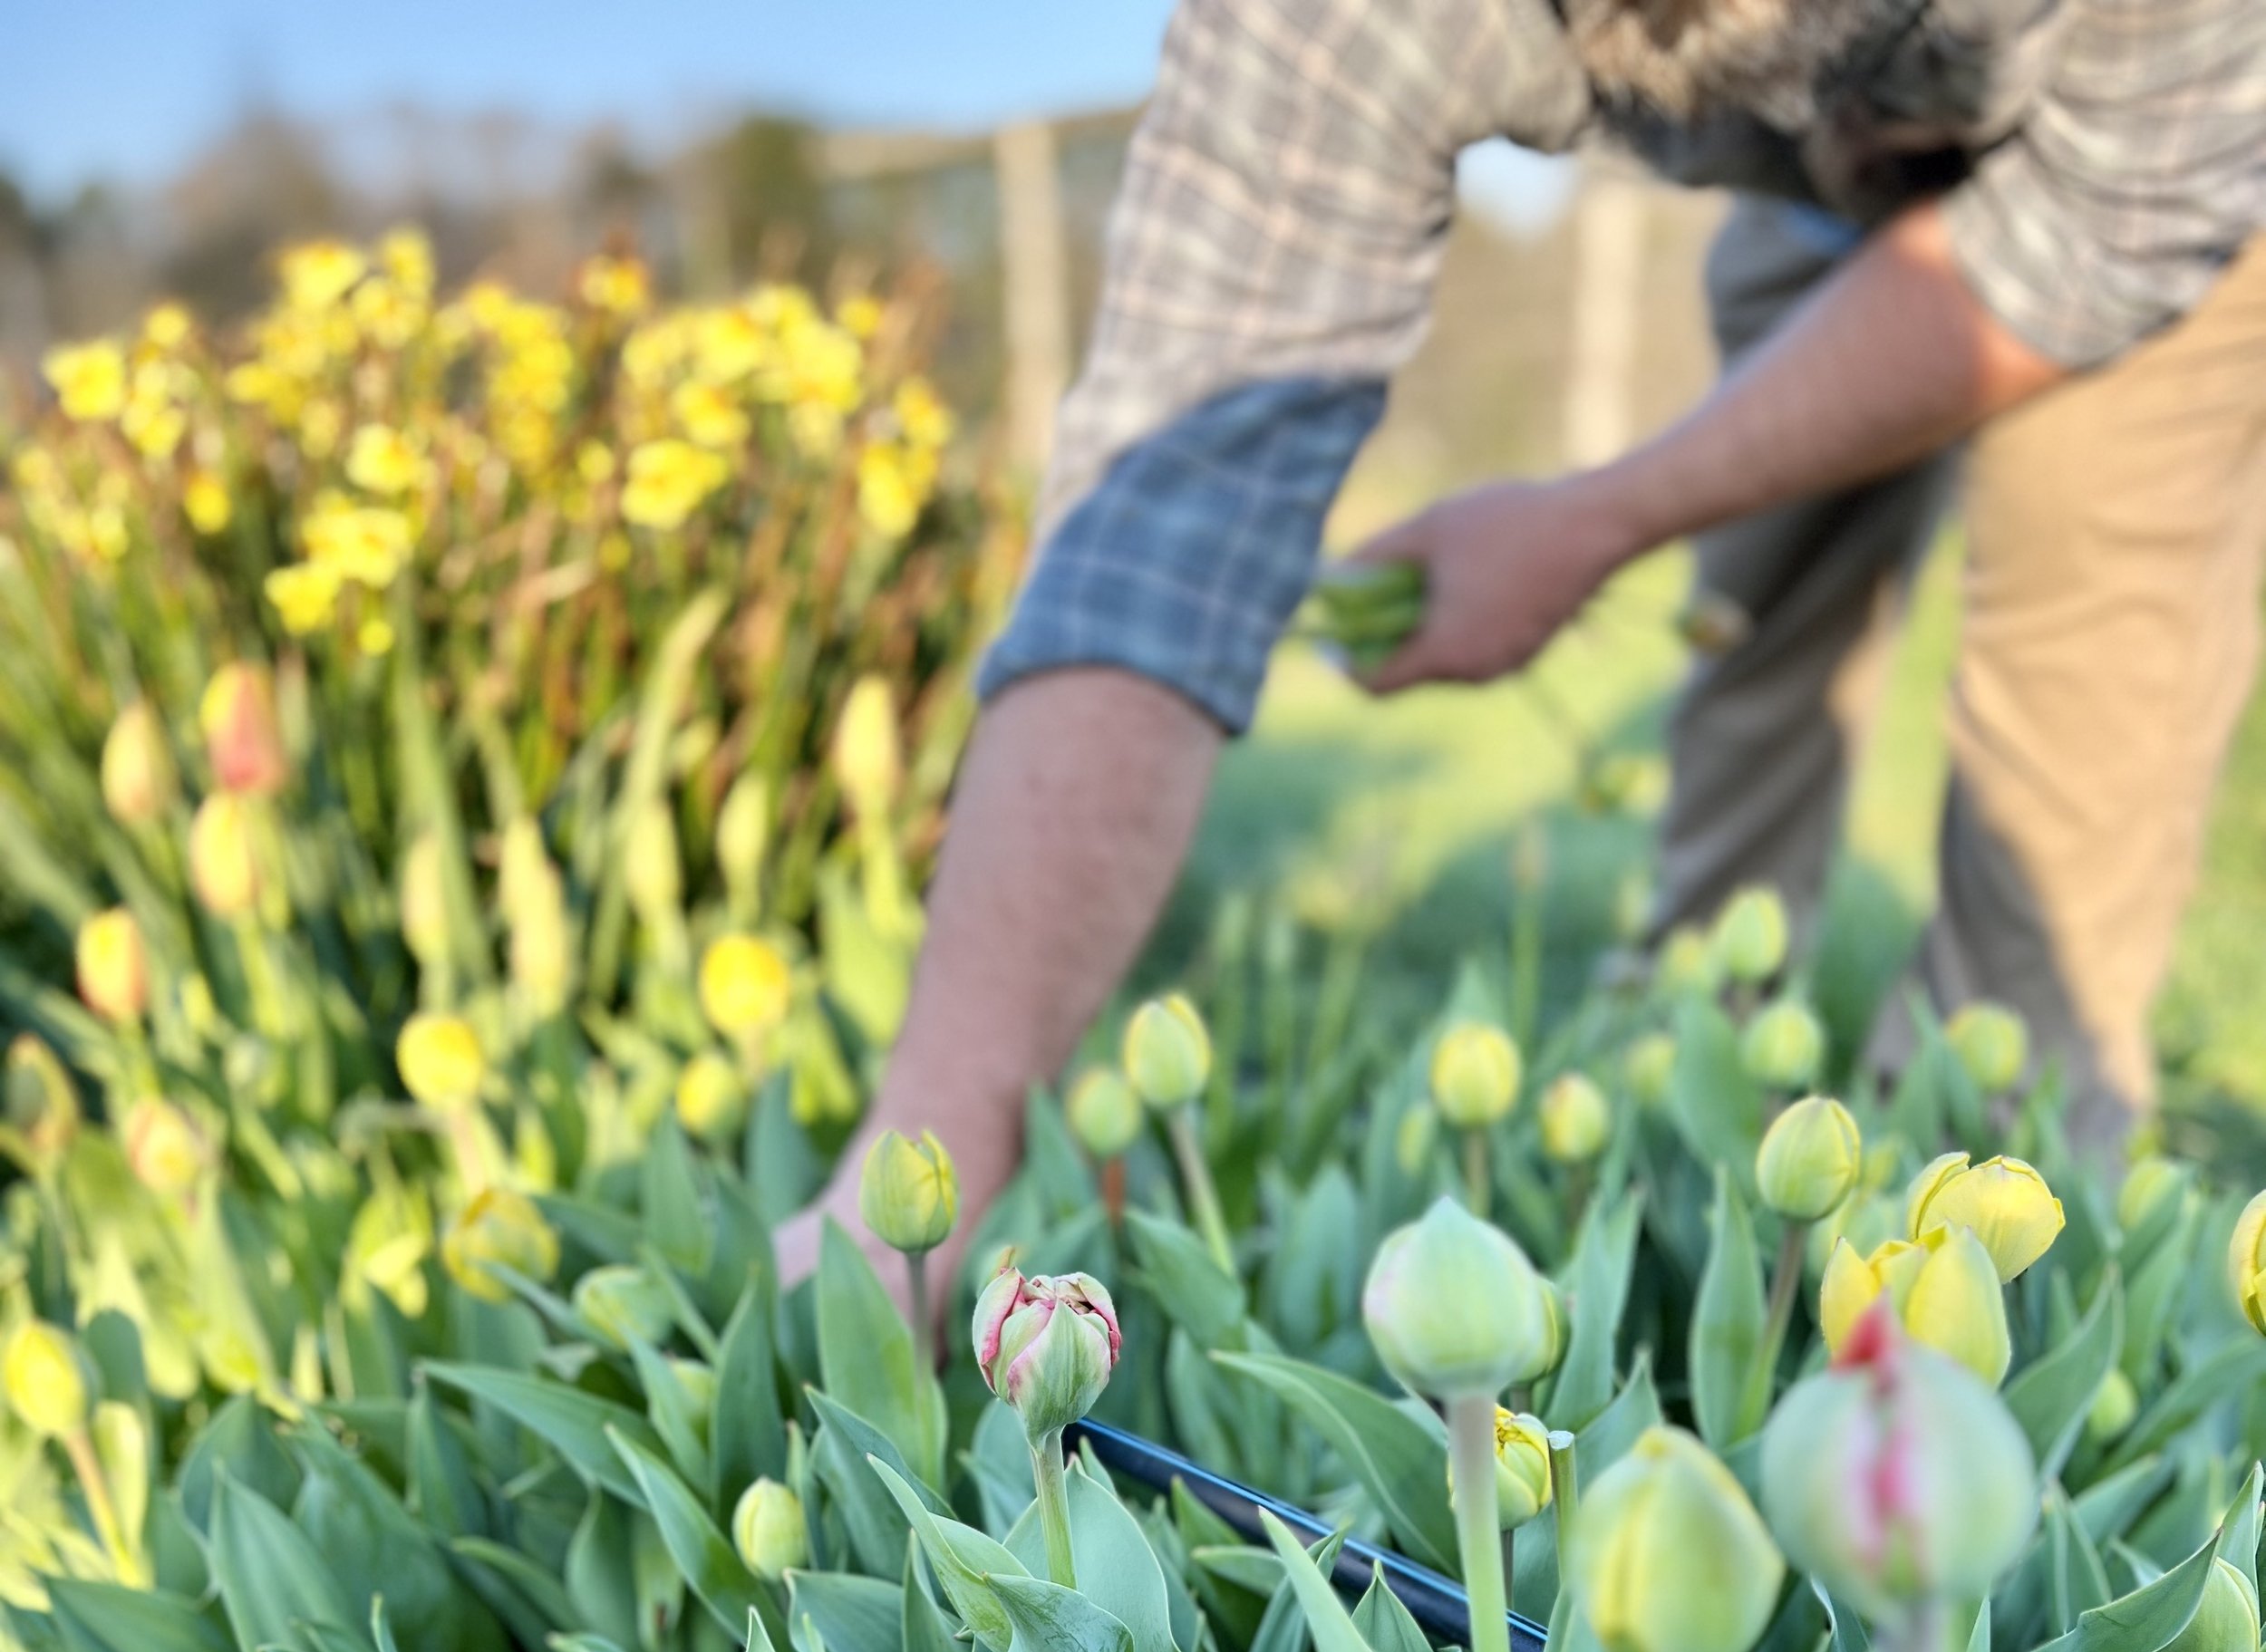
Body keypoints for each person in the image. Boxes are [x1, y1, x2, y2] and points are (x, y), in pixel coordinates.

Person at [783, 0, 2266, 1289]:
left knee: (2076, 705)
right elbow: (1169, 507)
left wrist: (1600, 513)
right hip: (1812, 179)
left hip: (2131, 164)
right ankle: (1677, 1124)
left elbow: (2101, 234)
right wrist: (929, 1173)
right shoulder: (1328, 27)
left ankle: (1978, 1246)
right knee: (1748, 623)